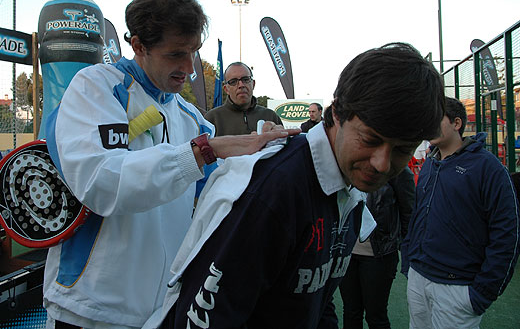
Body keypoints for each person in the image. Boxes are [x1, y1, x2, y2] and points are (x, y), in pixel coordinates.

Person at [42, 0, 297, 329]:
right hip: (91, 307)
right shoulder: (96, 87)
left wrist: (258, 155)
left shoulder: (190, 117)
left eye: (194, 51)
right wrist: (202, 152)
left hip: (162, 310)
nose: (189, 67)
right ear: (138, 46)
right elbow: (101, 182)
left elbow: (218, 196)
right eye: (176, 54)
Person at [145, 42, 445, 329]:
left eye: (402, 149)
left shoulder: (349, 181)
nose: (382, 163)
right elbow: (204, 319)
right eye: (370, 139)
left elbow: (317, 300)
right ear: (337, 113)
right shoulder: (272, 191)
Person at [401, 97, 520, 329]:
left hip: (457, 287)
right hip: (418, 276)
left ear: (457, 123)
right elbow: (416, 215)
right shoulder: (430, 164)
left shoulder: (488, 167)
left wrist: (482, 293)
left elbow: (507, 233)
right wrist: (409, 260)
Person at [339, 167, 415, 329]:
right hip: (347, 252)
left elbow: (408, 213)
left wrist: (404, 248)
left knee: (376, 315)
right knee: (351, 311)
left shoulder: (397, 169)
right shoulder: (348, 162)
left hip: (380, 253)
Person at [205, 62, 283, 136]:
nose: (241, 85)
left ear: (253, 84)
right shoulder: (212, 119)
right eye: (233, 81)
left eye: (245, 79)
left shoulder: (270, 116)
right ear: (226, 89)